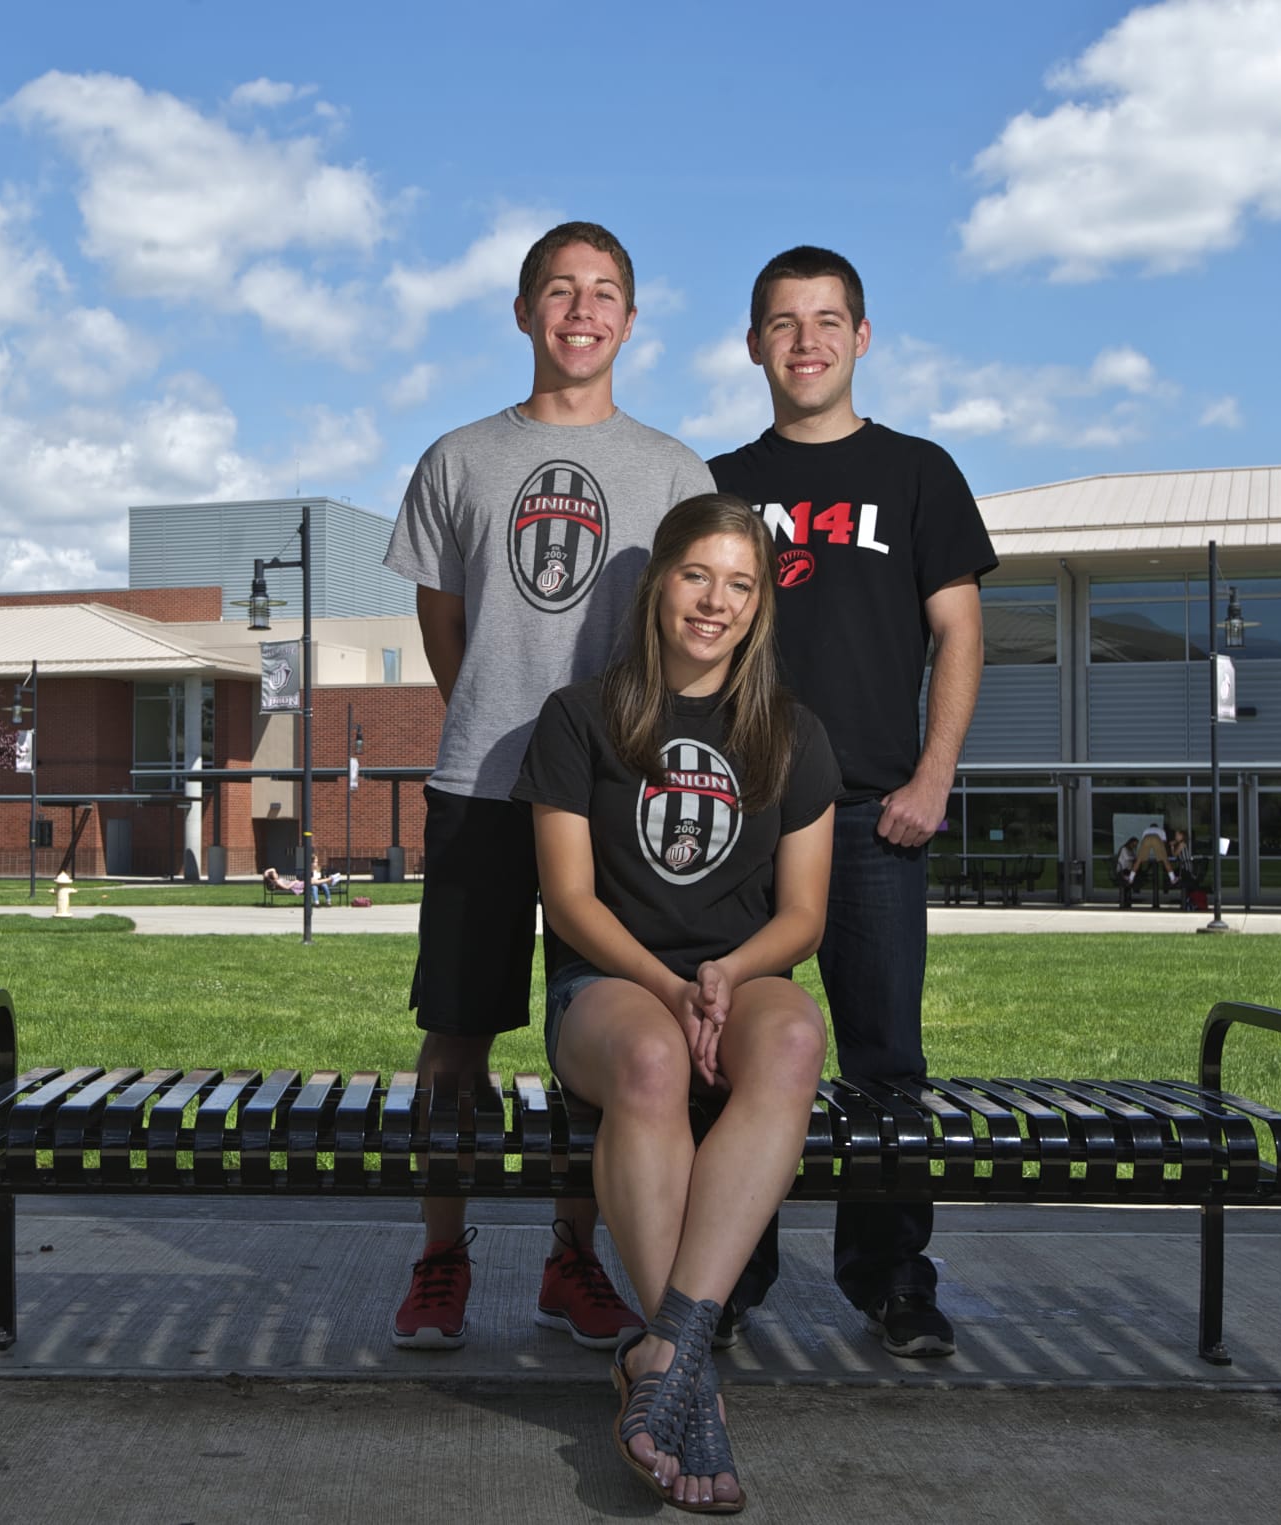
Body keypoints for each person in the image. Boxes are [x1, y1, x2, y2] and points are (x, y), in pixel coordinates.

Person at [382, 221, 716, 1352]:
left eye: (604, 292)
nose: (582, 311)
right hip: (482, 781)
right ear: (523, 313)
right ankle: (440, 1258)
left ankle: (572, 1261)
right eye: (560, 291)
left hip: (615, 791)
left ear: (631, 318)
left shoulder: (674, 469)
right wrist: (491, 705)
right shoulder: (456, 458)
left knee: (607, 1035)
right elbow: (443, 621)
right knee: (457, 1037)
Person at [514, 492, 840, 1512]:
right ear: (657, 584)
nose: (715, 601)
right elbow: (565, 899)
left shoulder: (789, 731)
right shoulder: (582, 718)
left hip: (736, 976)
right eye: (697, 575)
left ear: (758, 605)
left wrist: (727, 976)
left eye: (739, 584)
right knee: (652, 1061)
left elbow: (803, 916)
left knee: (793, 1038)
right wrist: (663, 983)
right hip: (607, 983)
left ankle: (660, 1359)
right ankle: (690, 1373)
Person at [708, 245, 995, 1358]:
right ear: (753, 345)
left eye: (826, 321)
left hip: (876, 814)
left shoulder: (919, 472)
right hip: (744, 821)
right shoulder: (723, 483)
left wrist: (933, 777)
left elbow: (959, 631)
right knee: (733, 1052)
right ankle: (727, 1272)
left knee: (884, 1062)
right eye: (782, 322)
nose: (805, 341)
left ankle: (890, 1276)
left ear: (861, 337)